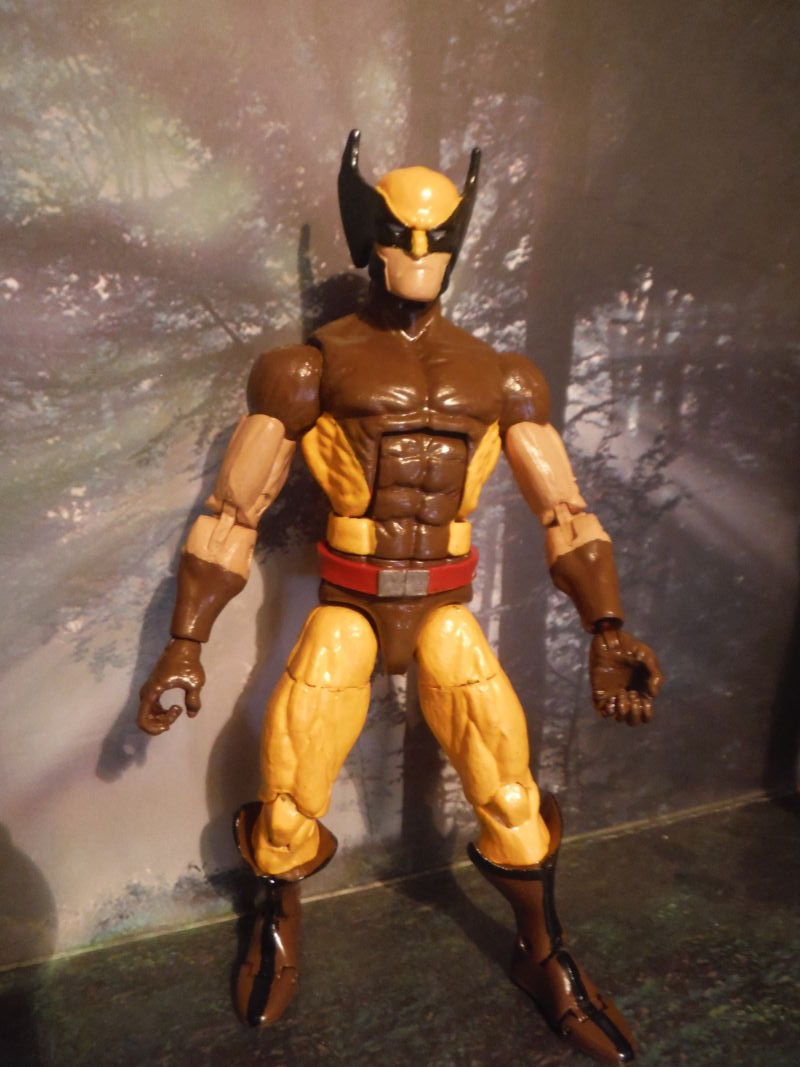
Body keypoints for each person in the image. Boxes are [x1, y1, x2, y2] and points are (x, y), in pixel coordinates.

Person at [138, 130, 663, 1064]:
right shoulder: (307, 367)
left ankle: (543, 951)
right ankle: (277, 923)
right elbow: (233, 510)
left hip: (444, 612)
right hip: (351, 604)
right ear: (367, 235)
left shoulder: (503, 377)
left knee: (510, 791)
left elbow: (565, 510)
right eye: (401, 233)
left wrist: (607, 625)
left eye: (437, 235)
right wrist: (186, 642)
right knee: (288, 799)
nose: (420, 253)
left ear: (459, 238)